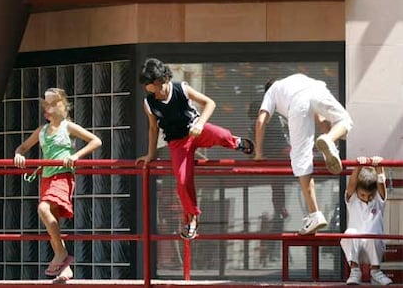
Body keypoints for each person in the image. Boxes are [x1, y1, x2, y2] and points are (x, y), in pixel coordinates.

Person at [135, 58, 254, 240]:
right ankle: (192, 218)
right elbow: (153, 128)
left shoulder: (180, 88)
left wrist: (199, 123)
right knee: (182, 181)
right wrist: (150, 154)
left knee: (219, 134)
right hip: (177, 142)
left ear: (161, 80)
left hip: (195, 129)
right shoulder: (149, 103)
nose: (149, 88)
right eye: (147, 85)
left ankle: (236, 142)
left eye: (151, 84)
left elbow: (210, 103)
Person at [14, 87, 102, 282]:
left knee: (43, 209)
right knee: (52, 222)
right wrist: (19, 154)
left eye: (56, 103)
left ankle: (61, 254)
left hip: (62, 177)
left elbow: (96, 141)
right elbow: (23, 146)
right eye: (48, 105)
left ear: (65, 106)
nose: (52, 108)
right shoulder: (42, 131)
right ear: (45, 111)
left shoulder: (68, 127)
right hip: (46, 178)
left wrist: (75, 156)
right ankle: (65, 267)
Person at [254, 73, 353, 235]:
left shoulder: (272, 92)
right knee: (345, 121)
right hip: (318, 88)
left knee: (301, 161)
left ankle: (315, 214)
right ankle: (330, 141)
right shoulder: (296, 79)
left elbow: (260, 121)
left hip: (297, 104)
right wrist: (330, 142)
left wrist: (258, 153)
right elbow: (320, 120)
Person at [341, 156, 392, 285]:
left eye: (370, 195)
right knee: (349, 233)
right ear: (357, 190)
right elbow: (352, 184)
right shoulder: (352, 200)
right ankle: (355, 270)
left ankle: (375, 271)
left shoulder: (378, 201)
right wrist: (358, 166)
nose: (366, 198)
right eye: (362, 195)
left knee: (372, 234)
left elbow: (381, 183)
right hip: (356, 249)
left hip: (373, 248)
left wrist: (379, 166)